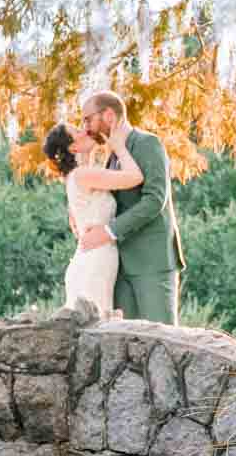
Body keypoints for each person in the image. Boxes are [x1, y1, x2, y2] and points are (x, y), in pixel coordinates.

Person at [71, 90, 185, 325]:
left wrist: (109, 231)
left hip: (151, 261)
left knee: (161, 339)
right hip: (118, 266)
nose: (86, 127)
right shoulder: (110, 156)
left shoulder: (147, 143)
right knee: (127, 343)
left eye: (88, 119)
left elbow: (155, 199)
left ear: (109, 115)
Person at [48, 119, 145, 317]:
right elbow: (135, 177)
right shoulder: (83, 175)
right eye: (77, 131)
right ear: (73, 148)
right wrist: (119, 148)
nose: (84, 130)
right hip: (95, 260)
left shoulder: (76, 175)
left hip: (92, 255)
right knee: (98, 325)